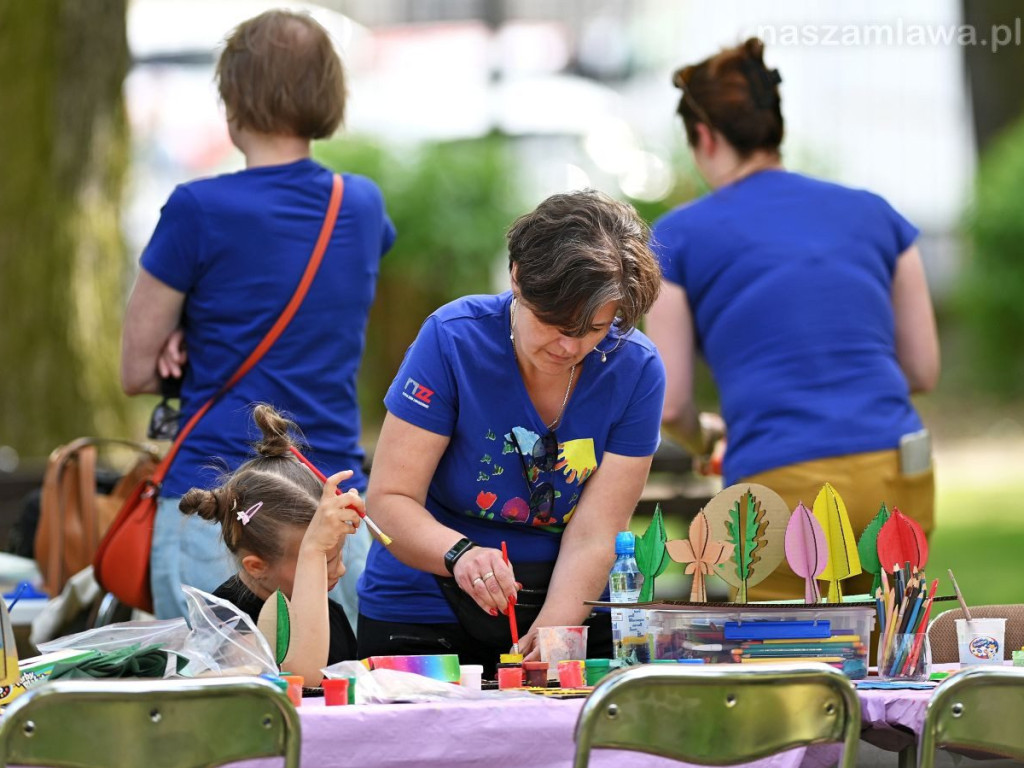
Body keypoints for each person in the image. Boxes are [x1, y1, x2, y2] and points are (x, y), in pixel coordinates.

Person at [121, 10, 395, 620]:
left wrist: (183, 336)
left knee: (214, 704)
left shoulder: (196, 209)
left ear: (233, 95)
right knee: (335, 705)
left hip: (221, 513)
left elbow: (136, 370)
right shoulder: (362, 205)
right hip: (331, 507)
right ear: (327, 95)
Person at [646, 38, 940, 600]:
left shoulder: (679, 237)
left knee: (787, 666)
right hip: (898, 466)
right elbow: (922, 369)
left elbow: (674, 402)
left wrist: (705, 438)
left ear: (704, 137)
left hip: (780, 481)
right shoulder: (878, 214)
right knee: (893, 658)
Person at [356, 190, 665, 674]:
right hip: (425, 601)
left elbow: (596, 533)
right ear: (518, 277)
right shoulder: (452, 339)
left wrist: (554, 629)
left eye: (595, 328)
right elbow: (389, 501)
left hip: (568, 599)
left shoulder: (636, 369)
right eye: (555, 322)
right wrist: (458, 554)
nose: (569, 345)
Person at [179, 404, 362, 684]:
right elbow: (300, 680)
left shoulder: (331, 613)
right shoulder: (227, 624)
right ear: (256, 566)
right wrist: (313, 549)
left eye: (336, 556)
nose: (340, 570)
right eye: (325, 561)